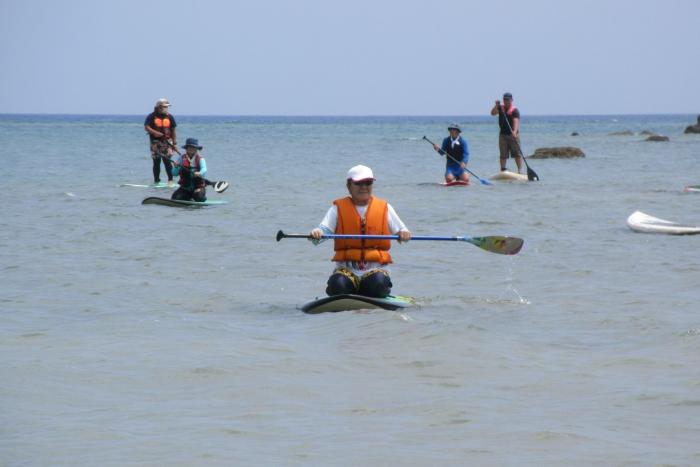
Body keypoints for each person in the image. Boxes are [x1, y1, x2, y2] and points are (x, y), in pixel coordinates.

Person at [310, 165, 412, 298]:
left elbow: (402, 230)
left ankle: (373, 294)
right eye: (358, 183)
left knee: (378, 283)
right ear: (349, 186)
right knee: (338, 285)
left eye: (368, 183)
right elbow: (320, 234)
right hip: (346, 271)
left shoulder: (385, 208)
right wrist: (316, 234)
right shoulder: (337, 209)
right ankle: (345, 294)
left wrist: (404, 234)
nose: (364, 187)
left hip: (375, 271)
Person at [144, 98, 177, 186]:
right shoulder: (151, 116)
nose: (166, 108)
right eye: (164, 107)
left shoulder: (170, 116)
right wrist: (155, 133)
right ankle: (157, 181)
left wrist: (174, 143)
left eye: (167, 107)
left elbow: (173, 130)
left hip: (167, 142)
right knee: (156, 162)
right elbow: (146, 127)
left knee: (167, 161)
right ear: (159, 107)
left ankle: (170, 180)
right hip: (155, 142)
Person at [490, 92, 522, 172]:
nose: (505, 101)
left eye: (507, 99)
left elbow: (516, 121)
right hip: (503, 135)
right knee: (503, 154)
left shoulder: (515, 110)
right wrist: (496, 106)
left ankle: (520, 170)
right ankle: (503, 169)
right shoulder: (501, 108)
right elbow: (493, 113)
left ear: (511, 100)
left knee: (516, 154)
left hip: (513, 135)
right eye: (504, 99)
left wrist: (514, 131)